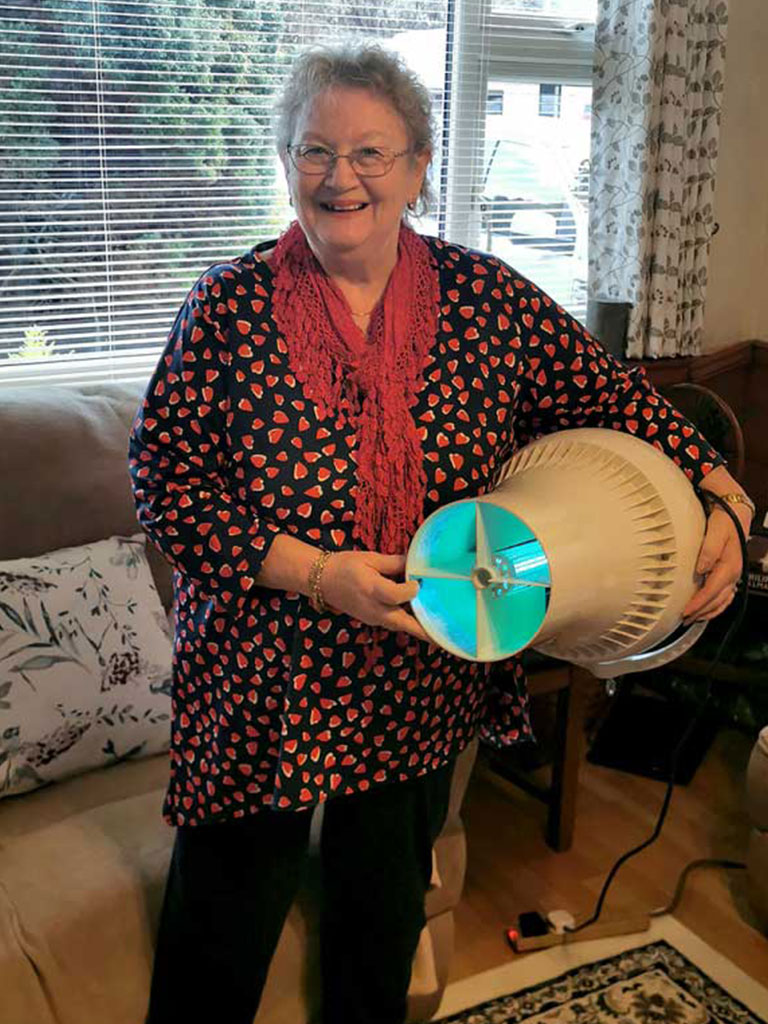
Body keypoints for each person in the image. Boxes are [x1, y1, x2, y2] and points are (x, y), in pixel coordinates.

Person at [129, 43, 755, 1024]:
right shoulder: (226, 305)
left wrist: (723, 490)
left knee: (380, 916)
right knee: (224, 912)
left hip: (426, 660)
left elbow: (607, 393)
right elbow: (166, 481)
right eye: (314, 151)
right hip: (263, 673)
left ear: (419, 165)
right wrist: (313, 573)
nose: (342, 177)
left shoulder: (488, 300)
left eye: (372, 152)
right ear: (285, 164)